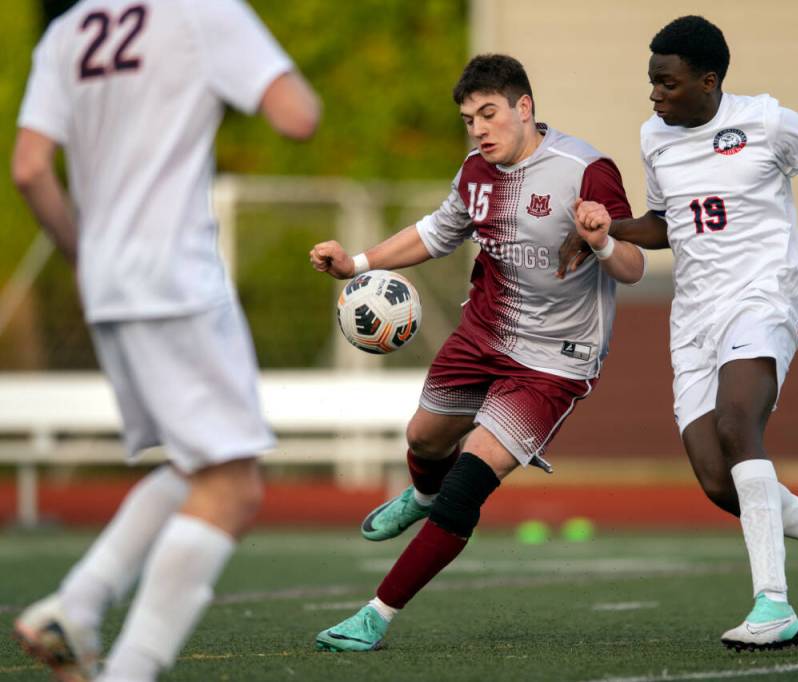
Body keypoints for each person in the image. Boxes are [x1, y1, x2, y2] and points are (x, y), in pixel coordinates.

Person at [562, 16, 798, 651]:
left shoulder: (770, 122)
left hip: (764, 296)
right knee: (720, 482)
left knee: (736, 425)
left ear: (708, 80)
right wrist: (602, 234)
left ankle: (773, 606)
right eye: (650, 83)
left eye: (666, 83)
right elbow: (667, 225)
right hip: (695, 314)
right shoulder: (654, 138)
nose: (654, 95)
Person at [11, 1, 319, 679]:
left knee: (198, 466)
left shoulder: (68, 31)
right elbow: (297, 115)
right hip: (175, 278)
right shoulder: (202, 10)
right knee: (234, 487)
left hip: (109, 285)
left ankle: (77, 605)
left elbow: (30, 166)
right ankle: (130, 669)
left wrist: (81, 253)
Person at [308, 53, 645, 652]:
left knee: (468, 485)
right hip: (483, 335)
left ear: (525, 108)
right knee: (424, 440)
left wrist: (600, 241)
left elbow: (634, 267)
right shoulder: (474, 172)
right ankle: (421, 494)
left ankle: (376, 614)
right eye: (469, 119)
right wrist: (355, 264)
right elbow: (435, 233)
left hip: (554, 362)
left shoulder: (586, 169)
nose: (480, 129)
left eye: (489, 114)